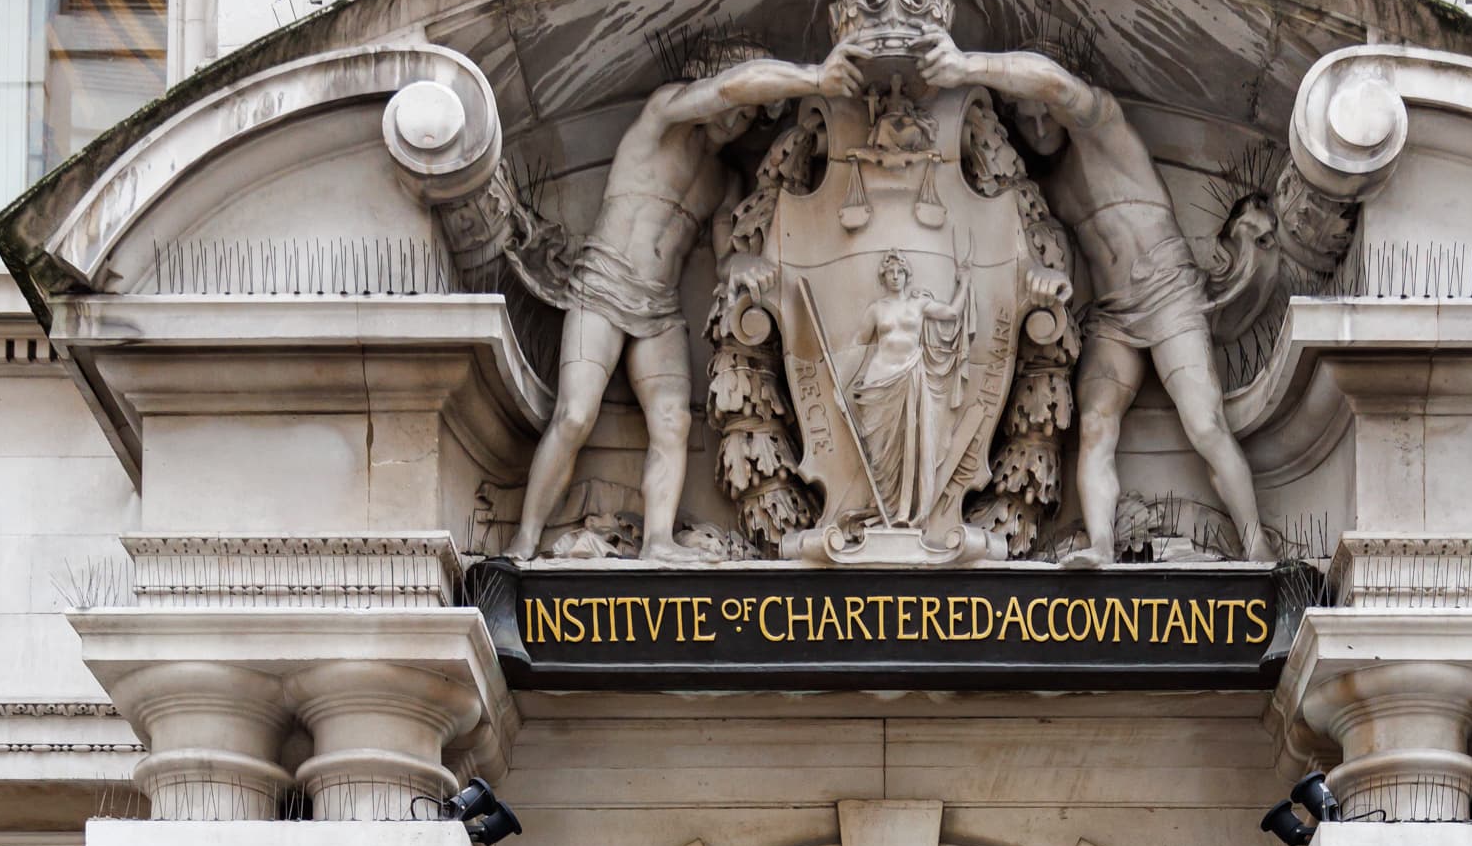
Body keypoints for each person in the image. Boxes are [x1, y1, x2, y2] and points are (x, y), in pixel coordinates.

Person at [908, 28, 1274, 561]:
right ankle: (1101, 543)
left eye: (1044, 113)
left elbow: (1053, 83)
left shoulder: (1103, 128)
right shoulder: (1049, 184)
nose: (1037, 127)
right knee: (1096, 421)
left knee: (1204, 422)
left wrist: (966, 66)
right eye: (1025, 118)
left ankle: (1256, 543)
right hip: (1113, 315)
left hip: (1170, 294)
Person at [514, 41, 862, 561]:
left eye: (749, 116)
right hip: (603, 286)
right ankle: (522, 540)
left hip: (658, 308)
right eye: (736, 107)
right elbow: (726, 88)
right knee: (573, 416)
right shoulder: (664, 116)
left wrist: (741, 263)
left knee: (674, 422)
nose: (738, 119)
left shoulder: (725, 181)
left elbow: (723, 257)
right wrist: (815, 77)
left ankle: (658, 541)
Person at [839, 249, 976, 529]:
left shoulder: (919, 306)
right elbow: (858, 347)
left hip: (910, 378)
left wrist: (964, 282)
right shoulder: (876, 310)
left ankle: (902, 513)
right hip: (879, 384)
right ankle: (883, 509)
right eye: (890, 272)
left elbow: (951, 313)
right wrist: (840, 386)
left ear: (907, 275)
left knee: (910, 448)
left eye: (900, 272)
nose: (895, 277)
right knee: (879, 456)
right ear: (883, 276)